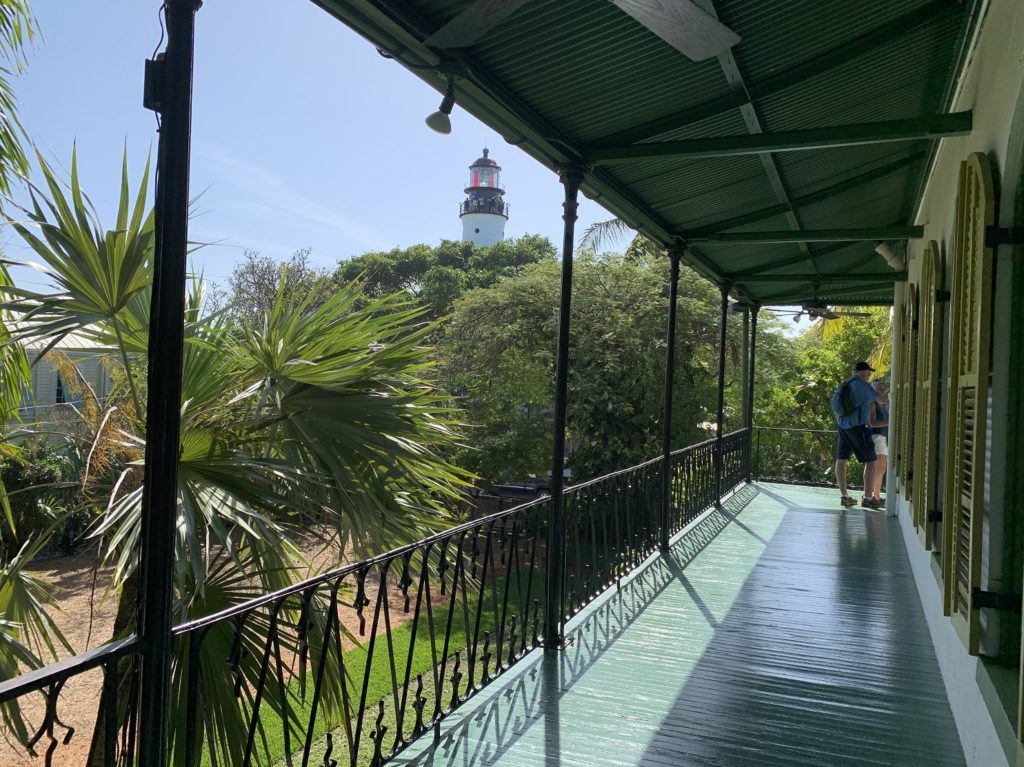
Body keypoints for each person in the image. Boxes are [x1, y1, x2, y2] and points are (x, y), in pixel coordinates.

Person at [834, 361, 879, 509]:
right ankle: (867, 497)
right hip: (859, 427)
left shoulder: (844, 384)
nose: (869, 375)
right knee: (871, 461)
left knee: (841, 460)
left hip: (843, 426)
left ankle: (844, 496)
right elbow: (881, 399)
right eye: (868, 372)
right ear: (861, 372)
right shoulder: (862, 385)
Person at [868, 380, 889, 504]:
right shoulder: (872, 403)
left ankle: (874, 494)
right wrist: (889, 423)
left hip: (884, 437)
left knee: (881, 468)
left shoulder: (884, 405)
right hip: (876, 437)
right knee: (878, 468)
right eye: (879, 389)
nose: (883, 391)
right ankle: (875, 496)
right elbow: (872, 422)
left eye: (884, 389)